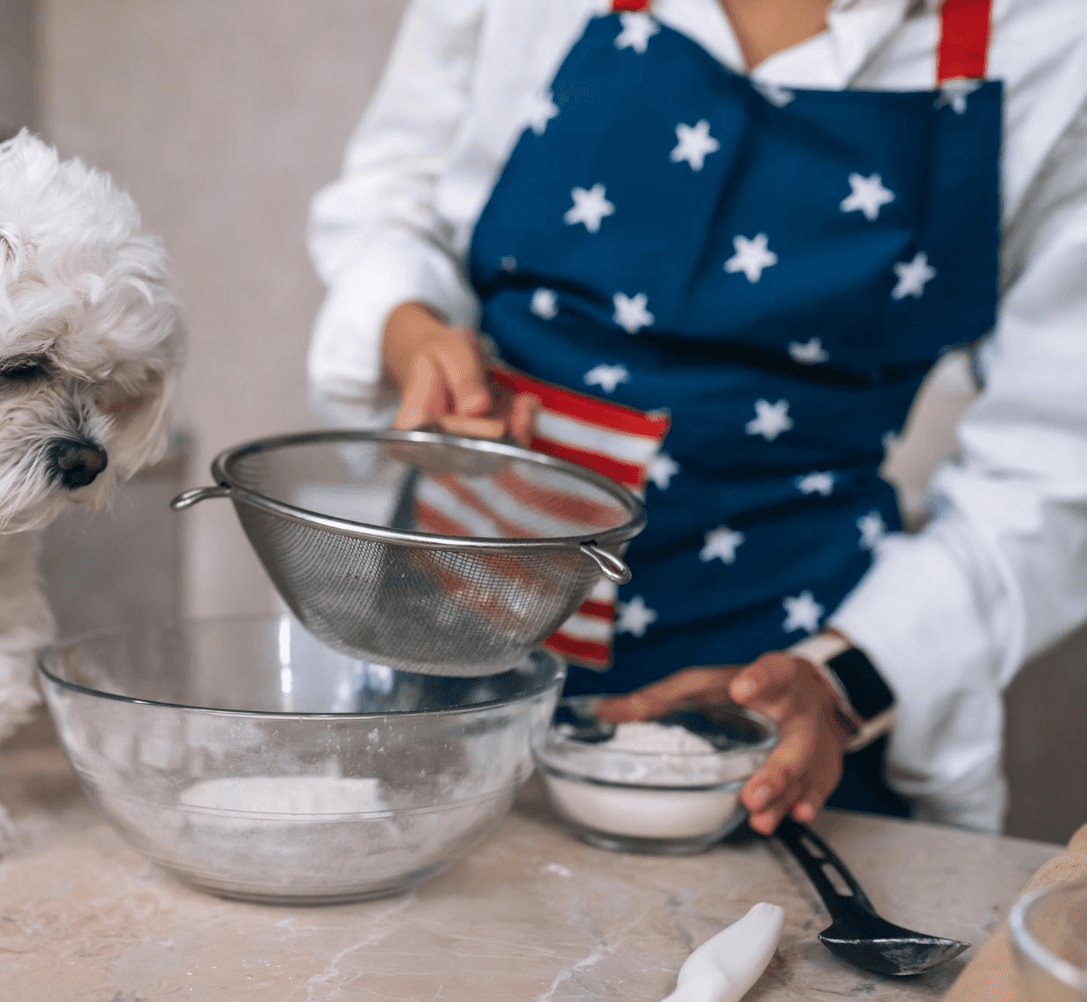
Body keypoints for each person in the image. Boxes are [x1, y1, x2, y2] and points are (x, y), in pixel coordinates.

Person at [306, 0, 1087, 836]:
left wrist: (841, 680)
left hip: (778, 714)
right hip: (454, 637)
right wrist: (411, 327)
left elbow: (1053, 471)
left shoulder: (1055, 40)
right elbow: (398, 195)